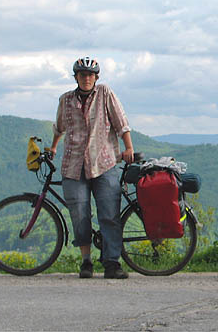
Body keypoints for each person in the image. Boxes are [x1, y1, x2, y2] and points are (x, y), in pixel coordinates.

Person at [50, 57, 134, 279]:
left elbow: (121, 122)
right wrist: (52, 148)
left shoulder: (105, 93)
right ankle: (86, 261)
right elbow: (59, 127)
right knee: (80, 214)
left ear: (96, 77)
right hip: (73, 164)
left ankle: (111, 263)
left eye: (90, 75)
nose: (86, 78)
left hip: (103, 162)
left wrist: (128, 148)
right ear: (76, 77)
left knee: (109, 215)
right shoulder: (66, 100)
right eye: (82, 75)